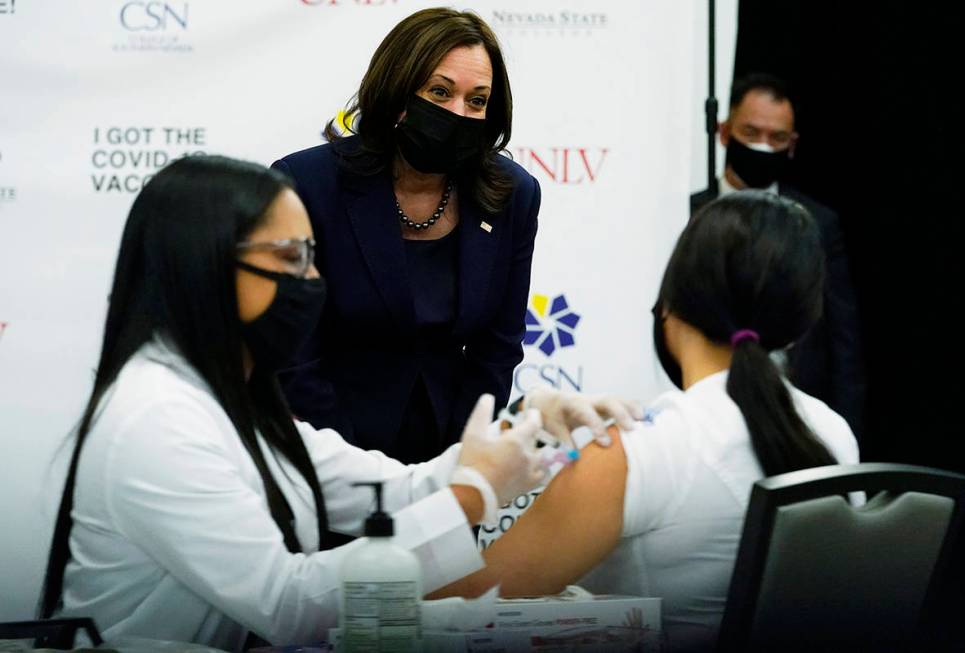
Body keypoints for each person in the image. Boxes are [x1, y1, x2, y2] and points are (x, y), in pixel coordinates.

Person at [38, 156, 631, 651]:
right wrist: (471, 497)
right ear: (208, 265)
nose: (314, 279)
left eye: (313, 255)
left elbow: (392, 492)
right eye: (292, 257)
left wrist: (528, 431)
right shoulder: (157, 416)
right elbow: (285, 602)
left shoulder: (233, 400)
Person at [433, 192, 861, 652]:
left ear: (671, 303)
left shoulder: (637, 450)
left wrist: (465, 492)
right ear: (800, 318)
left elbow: (455, 600)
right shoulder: (835, 435)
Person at [271, 8, 541, 463]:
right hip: (327, 446)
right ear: (397, 91)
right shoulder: (305, 184)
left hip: (451, 448)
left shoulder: (512, 194)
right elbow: (293, 349)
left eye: (477, 101)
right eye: (440, 92)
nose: (459, 112)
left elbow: (497, 349)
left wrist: (460, 462)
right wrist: (350, 466)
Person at [690, 73, 865, 439]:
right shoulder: (691, 212)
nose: (763, 147)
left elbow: (842, 340)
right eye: (751, 134)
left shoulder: (817, 223)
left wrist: (845, 433)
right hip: (700, 414)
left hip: (794, 417)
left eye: (777, 138)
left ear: (793, 144)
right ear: (724, 132)